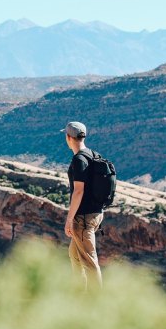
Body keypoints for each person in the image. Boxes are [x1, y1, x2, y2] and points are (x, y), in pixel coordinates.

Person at [62, 121, 103, 290]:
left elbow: (78, 191)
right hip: (96, 214)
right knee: (75, 255)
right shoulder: (93, 155)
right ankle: (79, 295)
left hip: (83, 218)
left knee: (89, 261)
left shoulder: (79, 160)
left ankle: (96, 304)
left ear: (68, 138)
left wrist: (69, 219)